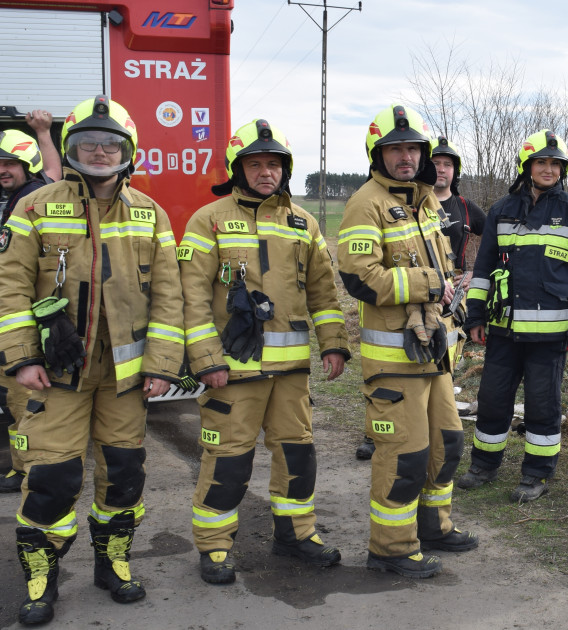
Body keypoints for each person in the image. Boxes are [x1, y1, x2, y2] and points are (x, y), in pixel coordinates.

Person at [0, 96, 184, 625]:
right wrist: (22, 357)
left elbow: (169, 297)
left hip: (124, 377)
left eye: (109, 144)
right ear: (71, 150)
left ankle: (113, 563)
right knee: (52, 478)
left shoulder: (151, 213)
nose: (98, 152)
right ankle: (41, 577)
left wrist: (162, 365)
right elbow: (7, 287)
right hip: (56, 374)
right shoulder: (35, 206)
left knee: (123, 475)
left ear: (128, 152)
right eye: (86, 143)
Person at [180, 120, 350, 585]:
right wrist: (205, 359)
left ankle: (296, 536)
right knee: (229, 461)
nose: (265, 172)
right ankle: (214, 547)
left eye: (273, 164)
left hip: (291, 370)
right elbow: (191, 297)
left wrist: (333, 343)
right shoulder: (208, 219)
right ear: (238, 169)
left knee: (298, 456)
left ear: (285, 169)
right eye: (254, 164)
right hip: (231, 372)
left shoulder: (305, 222)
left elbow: (322, 291)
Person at [336, 104, 478, 579]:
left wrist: (451, 301)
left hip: (434, 355)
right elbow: (359, 277)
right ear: (378, 154)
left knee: (448, 444)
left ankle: (433, 527)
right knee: (405, 456)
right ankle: (391, 549)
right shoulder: (365, 202)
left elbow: (444, 270)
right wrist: (427, 286)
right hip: (394, 361)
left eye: (413, 148)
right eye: (395, 149)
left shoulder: (428, 201)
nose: (406, 156)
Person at [457, 129, 568, 502]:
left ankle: (536, 474)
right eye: (542, 162)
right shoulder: (503, 210)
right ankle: (483, 465)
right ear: (527, 166)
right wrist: (474, 317)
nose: (549, 169)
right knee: (492, 400)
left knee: (543, 405)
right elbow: (483, 267)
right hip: (502, 330)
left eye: (555, 164)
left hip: (551, 336)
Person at [353, 134, 486, 461]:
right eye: (437, 162)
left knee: (440, 379)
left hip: (448, 304)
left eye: (447, 164)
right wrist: (428, 282)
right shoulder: (392, 202)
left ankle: (427, 427)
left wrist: (473, 275)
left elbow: (496, 241)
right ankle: (376, 433)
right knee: (390, 386)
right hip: (401, 307)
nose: (441, 169)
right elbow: (365, 273)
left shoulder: (461, 207)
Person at [0, 115, 62, 494]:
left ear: (25, 164)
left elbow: (53, 173)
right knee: (8, 398)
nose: (1, 171)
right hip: (7, 318)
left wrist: (44, 133)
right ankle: (22, 465)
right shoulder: (19, 197)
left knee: (22, 400)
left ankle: (31, 470)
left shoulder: (34, 196)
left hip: (23, 318)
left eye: (9, 163)